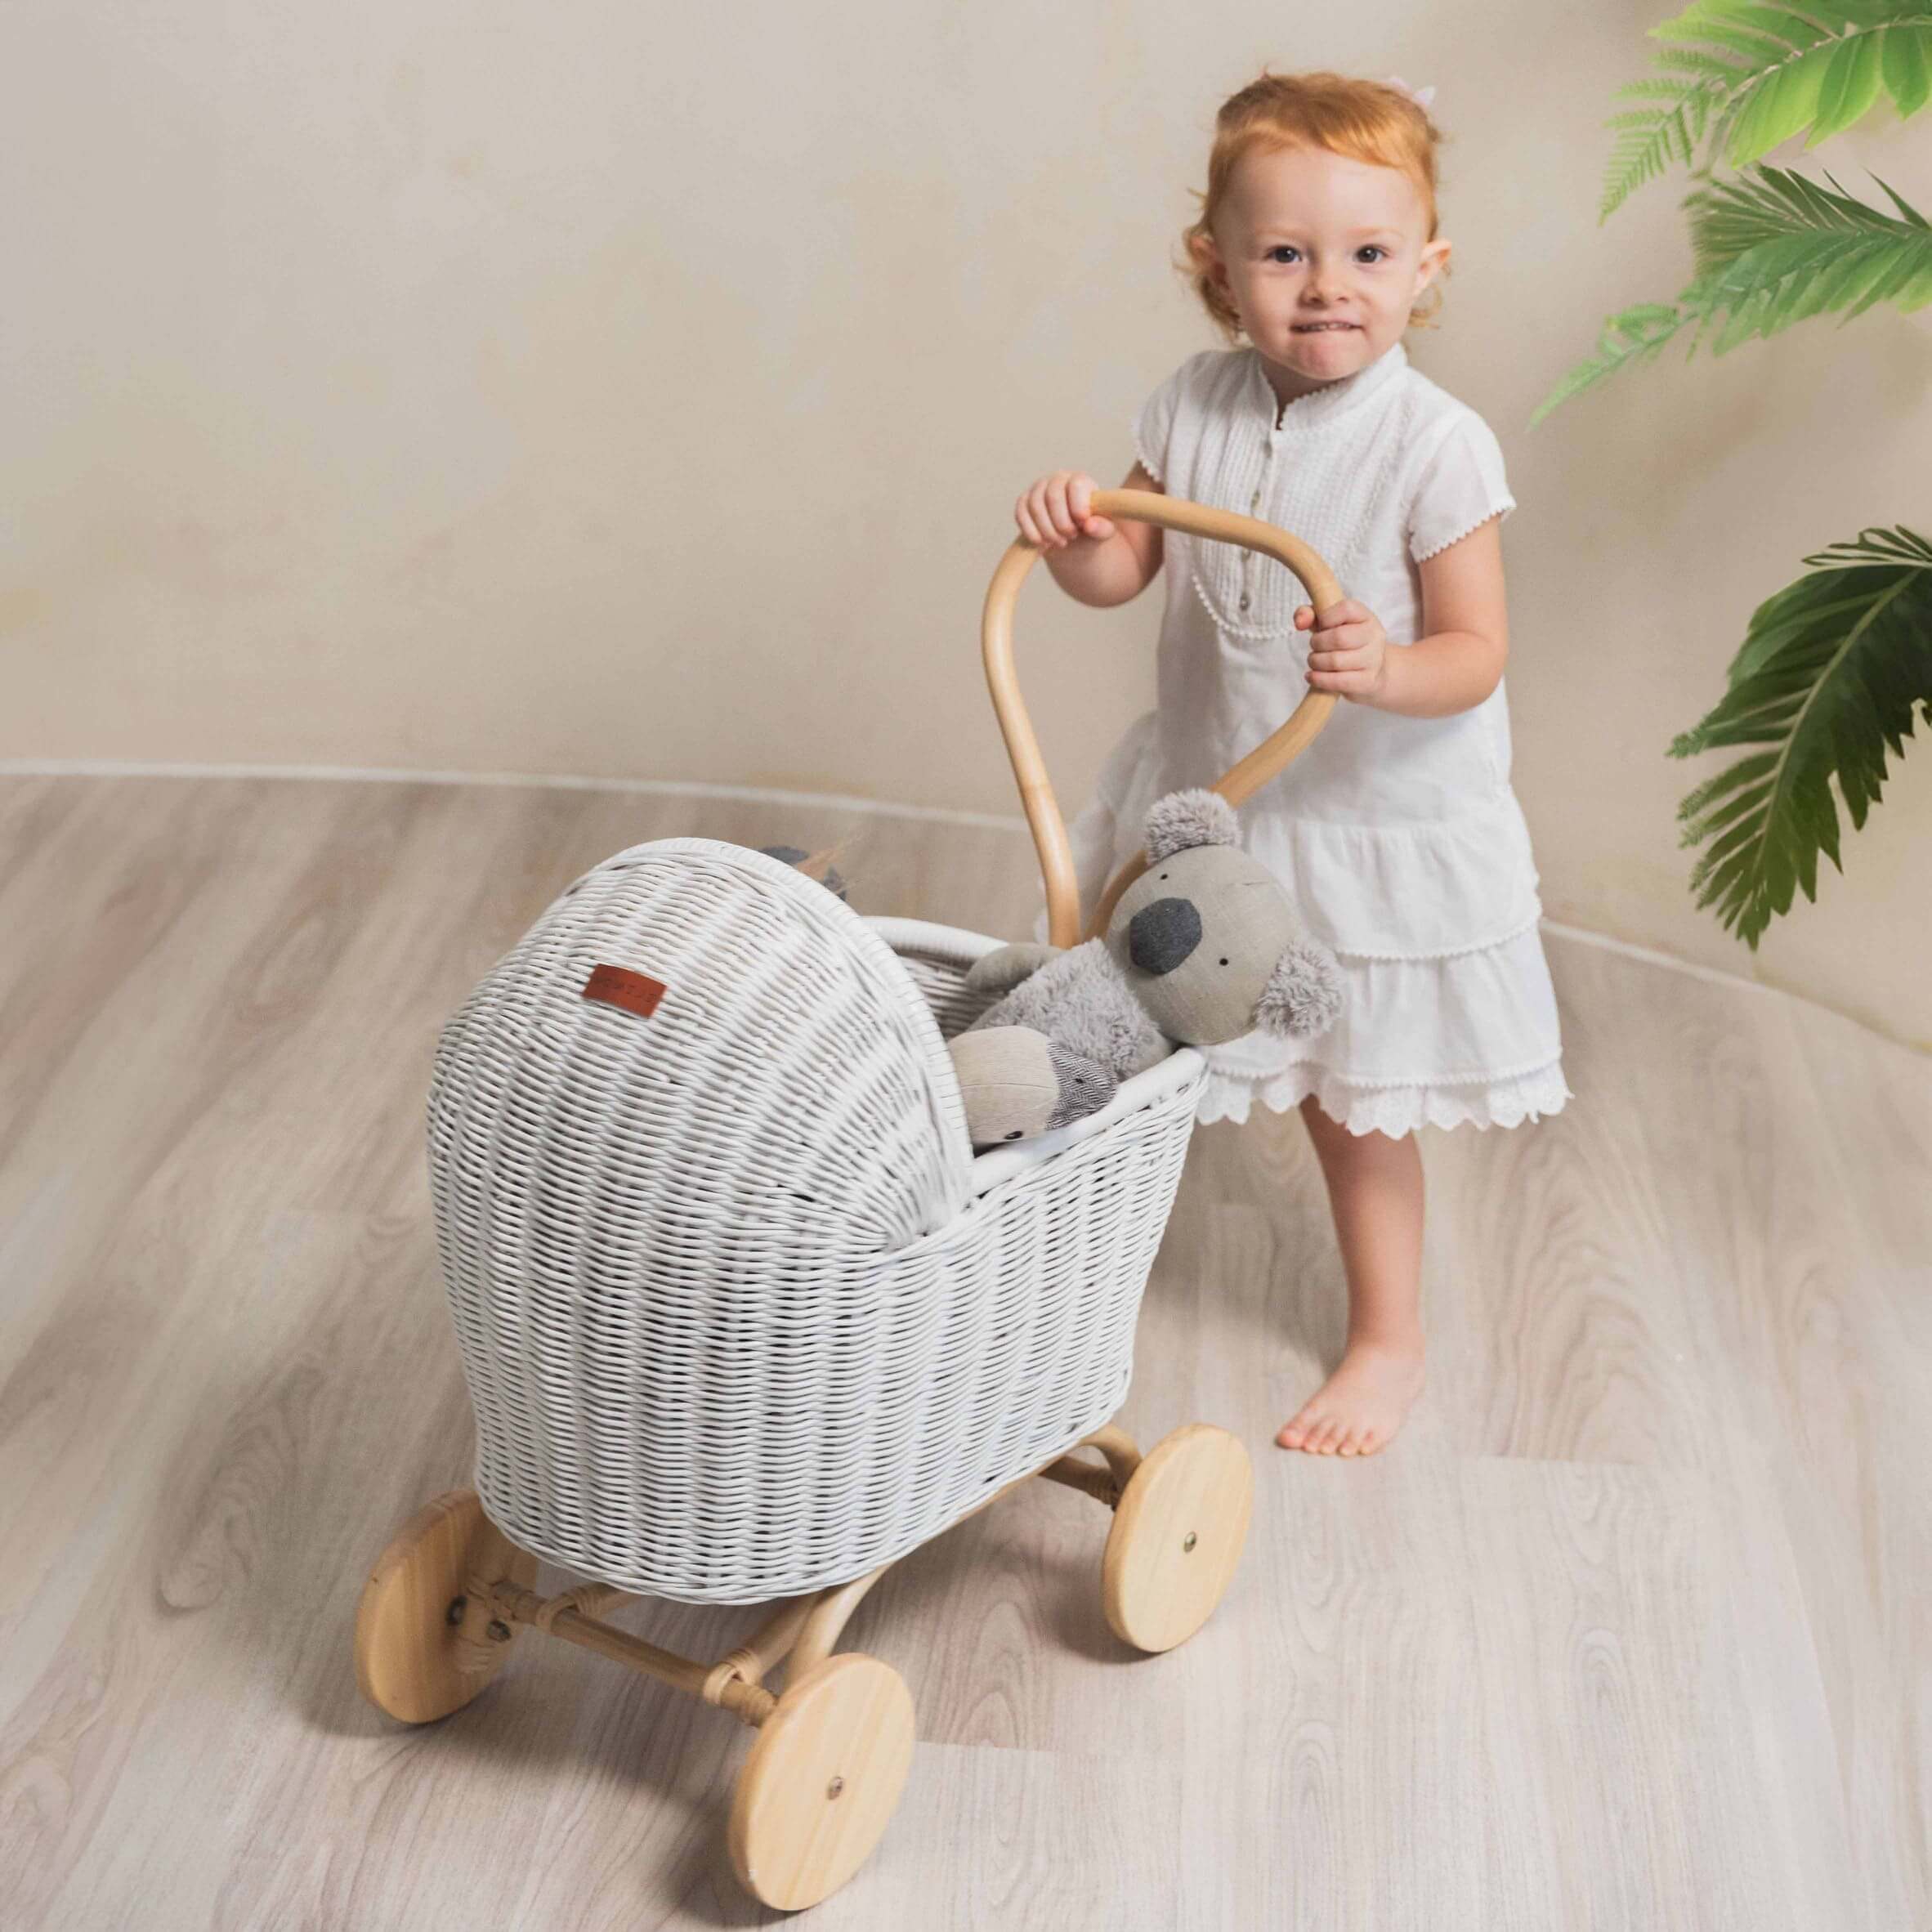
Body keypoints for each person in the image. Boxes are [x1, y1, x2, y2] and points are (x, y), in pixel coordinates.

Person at [1014, 69, 1569, 1459]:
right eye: (1285, 254)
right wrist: (1078, 530)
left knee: (1349, 1102)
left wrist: (1389, 668)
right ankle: (1054, 1289)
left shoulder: (1436, 445)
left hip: (1367, 825)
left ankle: (1390, 1336)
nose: (1329, 288)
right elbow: (1124, 570)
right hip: (1220, 810)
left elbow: (1478, 649)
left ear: (1426, 268)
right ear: (1217, 267)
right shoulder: (1192, 405)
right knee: (1131, 1042)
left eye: (1370, 256)